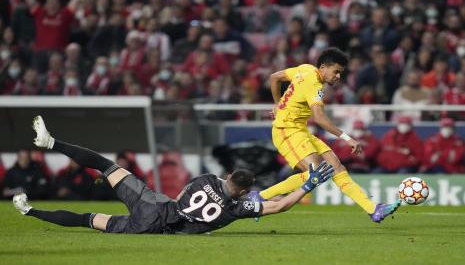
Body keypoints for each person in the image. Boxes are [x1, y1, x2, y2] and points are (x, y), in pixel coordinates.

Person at [13, 116, 334, 234]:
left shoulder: (207, 179)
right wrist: (308, 184)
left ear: (228, 176)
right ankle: (30, 211)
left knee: (105, 165)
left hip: (152, 204)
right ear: (242, 191)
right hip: (149, 228)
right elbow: (278, 206)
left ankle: (51, 142)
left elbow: (181, 197)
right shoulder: (235, 209)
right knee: (89, 220)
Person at [248, 47, 401, 223]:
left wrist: (277, 104)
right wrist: (347, 138)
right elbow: (319, 119)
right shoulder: (314, 84)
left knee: (336, 167)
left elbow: (275, 77)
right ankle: (260, 196)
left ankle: (373, 209)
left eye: (341, 73)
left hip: (300, 130)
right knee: (316, 174)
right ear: (323, 67)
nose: (338, 76)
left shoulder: (305, 68)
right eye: (336, 71)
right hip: (286, 130)